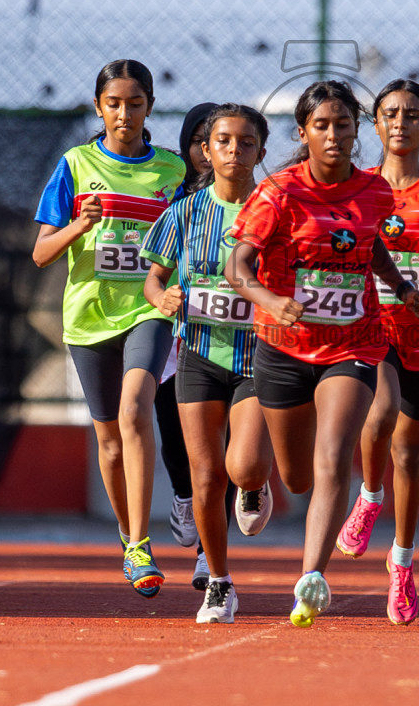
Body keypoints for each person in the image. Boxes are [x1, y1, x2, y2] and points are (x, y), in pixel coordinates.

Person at [225, 79, 419, 628]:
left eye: (343, 125)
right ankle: (259, 482)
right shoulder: (279, 193)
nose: (334, 135)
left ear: (357, 131)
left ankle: (312, 575)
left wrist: (401, 287)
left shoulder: (375, 191)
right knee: (295, 477)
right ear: (303, 133)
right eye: (322, 125)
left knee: (335, 453)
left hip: (353, 343)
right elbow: (237, 267)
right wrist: (269, 298)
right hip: (284, 345)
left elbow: (373, 246)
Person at [32, 59, 185, 596]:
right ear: (99, 107)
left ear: (149, 107)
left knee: (134, 412)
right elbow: (41, 254)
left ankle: (142, 545)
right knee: (110, 439)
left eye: (135, 103)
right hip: (89, 317)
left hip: (149, 309)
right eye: (114, 103)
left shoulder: (172, 170)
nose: (124, 114)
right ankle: (129, 537)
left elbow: (198, 235)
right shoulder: (74, 164)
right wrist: (80, 224)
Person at [336, 79, 419, 625]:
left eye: (412, 114)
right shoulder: (358, 187)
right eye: (390, 113)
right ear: (375, 124)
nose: (400, 122)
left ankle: (402, 563)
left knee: (409, 453)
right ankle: (369, 495)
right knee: (380, 410)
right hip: (374, 326)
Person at [143, 104, 276, 624]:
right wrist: (162, 298)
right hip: (199, 353)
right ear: (206, 150)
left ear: (260, 152)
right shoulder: (184, 212)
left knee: (240, 465)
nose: (234, 151)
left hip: (257, 355)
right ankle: (218, 582)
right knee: (204, 478)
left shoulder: (274, 211)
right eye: (224, 141)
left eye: (246, 143)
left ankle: (255, 479)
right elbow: (154, 277)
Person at [155, 101, 218, 564]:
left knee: (229, 443)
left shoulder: (253, 201)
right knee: (174, 433)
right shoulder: (172, 197)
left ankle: (207, 551)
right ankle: (182, 494)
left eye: (213, 140)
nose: (206, 150)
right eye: (198, 140)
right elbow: (151, 264)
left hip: (231, 338)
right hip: (174, 334)